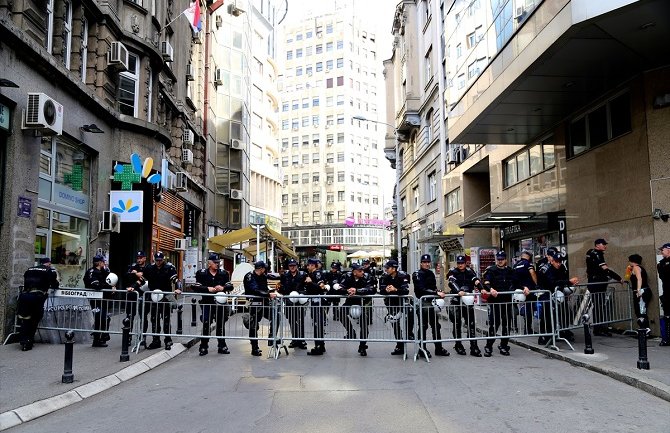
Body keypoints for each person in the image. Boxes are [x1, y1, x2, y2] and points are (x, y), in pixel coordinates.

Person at [193, 254, 233, 356]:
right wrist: (207, 289)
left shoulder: (223, 273)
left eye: (218, 263)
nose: (217, 264)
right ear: (209, 263)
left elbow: (230, 286)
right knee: (206, 324)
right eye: (215, 263)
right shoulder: (202, 273)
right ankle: (203, 346)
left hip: (220, 304)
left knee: (220, 324)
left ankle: (222, 346)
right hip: (207, 302)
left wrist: (223, 288)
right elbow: (195, 286)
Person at [536, 251, 579, 345]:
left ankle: (561, 332)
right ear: (552, 261)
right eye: (556, 261)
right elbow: (552, 282)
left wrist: (568, 287)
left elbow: (562, 281)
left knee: (563, 313)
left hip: (559, 295)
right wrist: (568, 282)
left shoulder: (562, 268)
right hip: (547, 295)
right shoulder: (548, 270)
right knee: (547, 316)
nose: (558, 263)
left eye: (560, 261)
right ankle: (544, 336)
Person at [412, 254, 450, 358]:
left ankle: (438, 348)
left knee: (436, 326)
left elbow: (433, 287)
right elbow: (420, 289)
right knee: (423, 326)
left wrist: (438, 291)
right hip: (422, 302)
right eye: (424, 262)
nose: (427, 264)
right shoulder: (417, 274)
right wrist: (436, 293)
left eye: (428, 262)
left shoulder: (431, 273)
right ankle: (422, 348)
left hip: (432, 302)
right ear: (421, 263)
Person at [18, 258, 59, 351]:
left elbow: (26, 282)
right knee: (35, 319)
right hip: (36, 296)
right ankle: (28, 341)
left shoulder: (30, 269)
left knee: (25, 319)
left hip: (25, 296)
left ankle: (23, 340)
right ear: (48, 263)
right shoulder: (49, 270)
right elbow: (54, 284)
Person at [446, 255, 483, 357]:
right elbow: (451, 282)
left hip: (468, 302)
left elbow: (476, 280)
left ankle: (474, 347)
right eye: (458, 263)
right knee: (457, 324)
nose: (460, 265)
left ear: (465, 263)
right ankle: (458, 345)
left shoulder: (469, 271)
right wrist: (458, 291)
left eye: (462, 263)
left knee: (471, 324)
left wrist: (482, 288)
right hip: (456, 302)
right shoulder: (453, 271)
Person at [144, 252, 181, 350]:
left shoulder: (169, 268)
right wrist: (134, 287)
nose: (158, 262)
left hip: (165, 296)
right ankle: (155, 340)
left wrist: (178, 288)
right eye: (157, 260)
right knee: (154, 319)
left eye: (160, 260)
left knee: (166, 319)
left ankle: (168, 340)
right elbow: (143, 280)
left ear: (163, 259)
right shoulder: (150, 268)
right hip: (154, 296)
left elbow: (176, 280)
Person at [481, 251, 515, 356]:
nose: (500, 261)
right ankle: (488, 346)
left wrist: (524, 288)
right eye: (498, 259)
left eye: (502, 259)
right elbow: (486, 282)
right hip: (495, 302)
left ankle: (504, 346)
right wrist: (490, 289)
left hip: (507, 302)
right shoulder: (491, 270)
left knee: (507, 325)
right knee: (494, 325)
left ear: (505, 260)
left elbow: (516, 282)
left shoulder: (510, 271)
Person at [586, 238, 622, 336]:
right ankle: (599, 328)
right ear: (597, 245)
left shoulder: (590, 252)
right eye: (603, 244)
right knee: (599, 306)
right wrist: (618, 278)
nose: (605, 246)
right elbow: (605, 269)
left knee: (598, 306)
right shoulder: (597, 254)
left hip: (594, 282)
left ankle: (598, 328)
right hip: (597, 283)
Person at [339, 263, 377, 356]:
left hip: (363, 302)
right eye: (360, 271)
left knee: (364, 324)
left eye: (363, 270)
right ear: (354, 272)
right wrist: (347, 290)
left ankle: (362, 346)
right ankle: (351, 332)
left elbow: (371, 289)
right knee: (341, 313)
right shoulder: (347, 276)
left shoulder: (368, 276)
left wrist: (357, 290)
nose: (362, 272)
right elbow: (340, 287)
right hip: (350, 300)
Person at [243, 261, 278, 357]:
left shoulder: (263, 276)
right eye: (264, 268)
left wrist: (270, 291)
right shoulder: (249, 276)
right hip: (254, 304)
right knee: (253, 326)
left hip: (264, 303)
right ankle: (254, 348)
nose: (265, 270)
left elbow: (264, 288)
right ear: (261, 268)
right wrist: (268, 294)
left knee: (276, 316)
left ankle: (272, 338)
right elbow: (255, 290)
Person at [379, 259, 413, 355]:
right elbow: (381, 290)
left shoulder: (402, 276)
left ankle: (409, 333)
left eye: (388, 268)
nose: (386, 270)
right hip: (391, 303)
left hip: (402, 302)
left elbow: (405, 290)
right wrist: (386, 289)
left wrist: (395, 289)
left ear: (394, 269)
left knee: (410, 313)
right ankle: (399, 345)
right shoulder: (384, 277)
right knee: (395, 323)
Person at [83, 255, 115, 347]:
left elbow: (109, 279)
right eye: (103, 262)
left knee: (103, 318)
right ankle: (97, 339)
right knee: (99, 319)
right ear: (99, 262)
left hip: (101, 299)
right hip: (96, 300)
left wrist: (111, 286)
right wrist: (109, 287)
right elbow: (96, 285)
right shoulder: (94, 272)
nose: (104, 263)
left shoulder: (100, 271)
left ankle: (102, 336)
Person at [278, 258, 307, 350]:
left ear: (297, 266)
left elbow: (306, 287)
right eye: (290, 266)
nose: (292, 267)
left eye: (294, 265)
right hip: (289, 302)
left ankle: (301, 340)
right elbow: (283, 288)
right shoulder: (285, 276)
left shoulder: (303, 275)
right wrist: (280, 289)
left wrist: (302, 295)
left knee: (300, 320)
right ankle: (294, 339)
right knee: (292, 321)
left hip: (299, 301)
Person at [124, 250, 150, 347]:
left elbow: (146, 279)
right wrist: (135, 274)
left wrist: (139, 275)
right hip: (133, 296)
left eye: (141, 258)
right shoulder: (133, 267)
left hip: (144, 295)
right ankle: (128, 337)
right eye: (138, 258)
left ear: (144, 258)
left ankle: (142, 337)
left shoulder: (148, 268)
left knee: (143, 317)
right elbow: (127, 276)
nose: (139, 260)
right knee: (130, 316)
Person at [304, 258, 327, 355]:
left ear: (313, 265)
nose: (307, 266)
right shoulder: (311, 274)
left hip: (318, 302)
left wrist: (310, 282)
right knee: (317, 323)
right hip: (315, 302)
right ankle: (321, 345)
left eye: (308, 265)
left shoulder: (317, 274)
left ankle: (318, 346)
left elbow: (320, 288)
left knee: (318, 324)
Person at [513, 250, 538, 335]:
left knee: (517, 308)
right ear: (528, 257)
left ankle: (515, 327)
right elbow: (532, 273)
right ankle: (528, 329)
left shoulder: (515, 265)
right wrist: (536, 284)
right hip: (529, 290)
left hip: (519, 290)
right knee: (529, 309)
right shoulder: (528, 264)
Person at [628, 254, 652, 331]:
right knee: (639, 311)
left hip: (642, 291)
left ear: (632, 261)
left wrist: (638, 290)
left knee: (641, 311)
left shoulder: (636, 268)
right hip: (643, 290)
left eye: (629, 261)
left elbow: (639, 279)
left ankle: (645, 329)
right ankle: (643, 328)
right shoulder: (637, 268)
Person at [658, 243, 670, 346]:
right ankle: (666, 338)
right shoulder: (661, 263)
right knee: (666, 315)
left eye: (663, 250)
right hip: (667, 292)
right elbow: (663, 277)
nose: (661, 252)